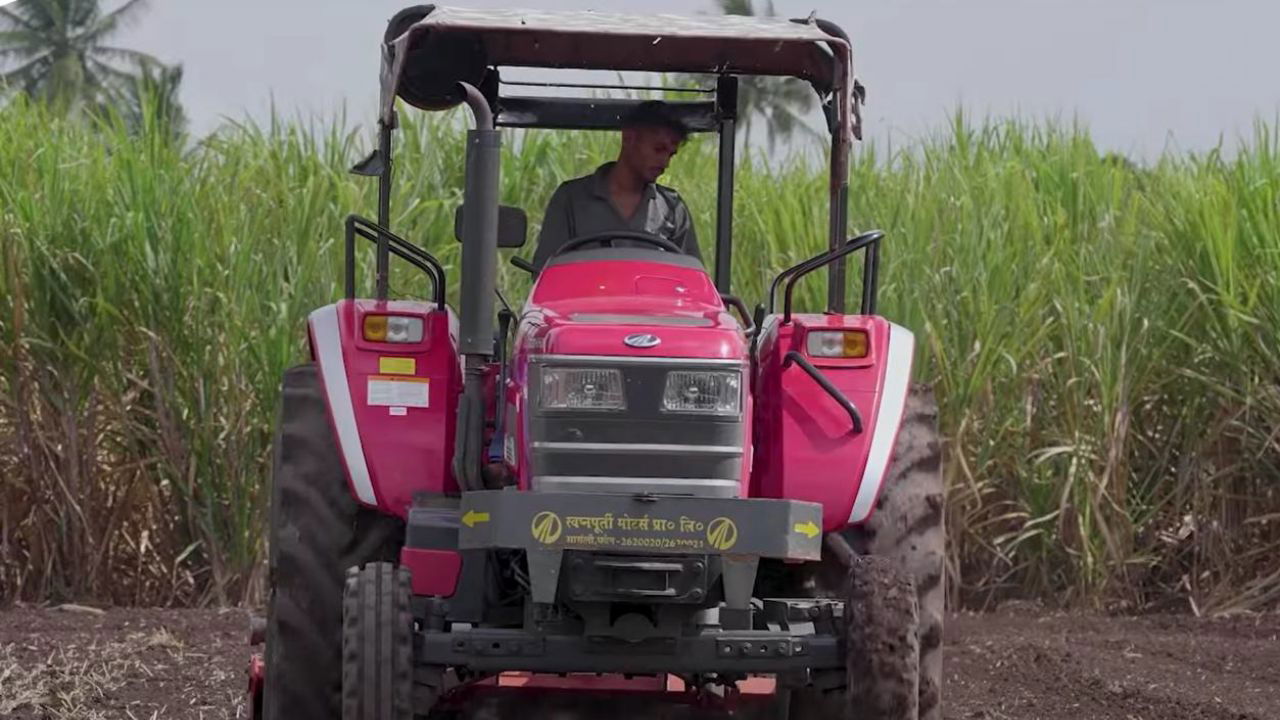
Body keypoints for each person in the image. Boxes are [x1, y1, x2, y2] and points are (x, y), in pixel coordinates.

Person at [531, 100, 701, 270]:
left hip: (651, 297)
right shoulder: (570, 199)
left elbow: (691, 277)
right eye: (658, 149)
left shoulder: (672, 209)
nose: (665, 162)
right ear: (628, 138)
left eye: (670, 154)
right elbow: (546, 273)